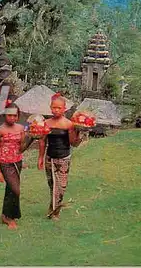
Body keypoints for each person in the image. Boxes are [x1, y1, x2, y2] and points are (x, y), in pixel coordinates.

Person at [38, 93, 84, 221]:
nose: (56, 110)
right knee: (52, 185)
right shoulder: (46, 123)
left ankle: (53, 209)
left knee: (61, 186)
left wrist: (78, 131)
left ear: (64, 109)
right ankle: (54, 212)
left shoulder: (69, 124)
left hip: (64, 158)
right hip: (50, 158)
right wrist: (40, 158)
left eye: (59, 108)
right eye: (54, 107)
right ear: (50, 108)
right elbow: (42, 141)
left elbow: (72, 143)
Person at [0, 101, 33, 230]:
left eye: (14, 116)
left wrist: (31, 138)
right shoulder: (0, 130)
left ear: (17, 116)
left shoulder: (21, 128)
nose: (12, 118)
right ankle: (10, 218)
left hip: (17, 162)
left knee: (10, 190)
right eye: (9, 115)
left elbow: (21, 148)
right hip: (5, 163)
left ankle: (6, 215)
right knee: (16, 190)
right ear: (5, 115)